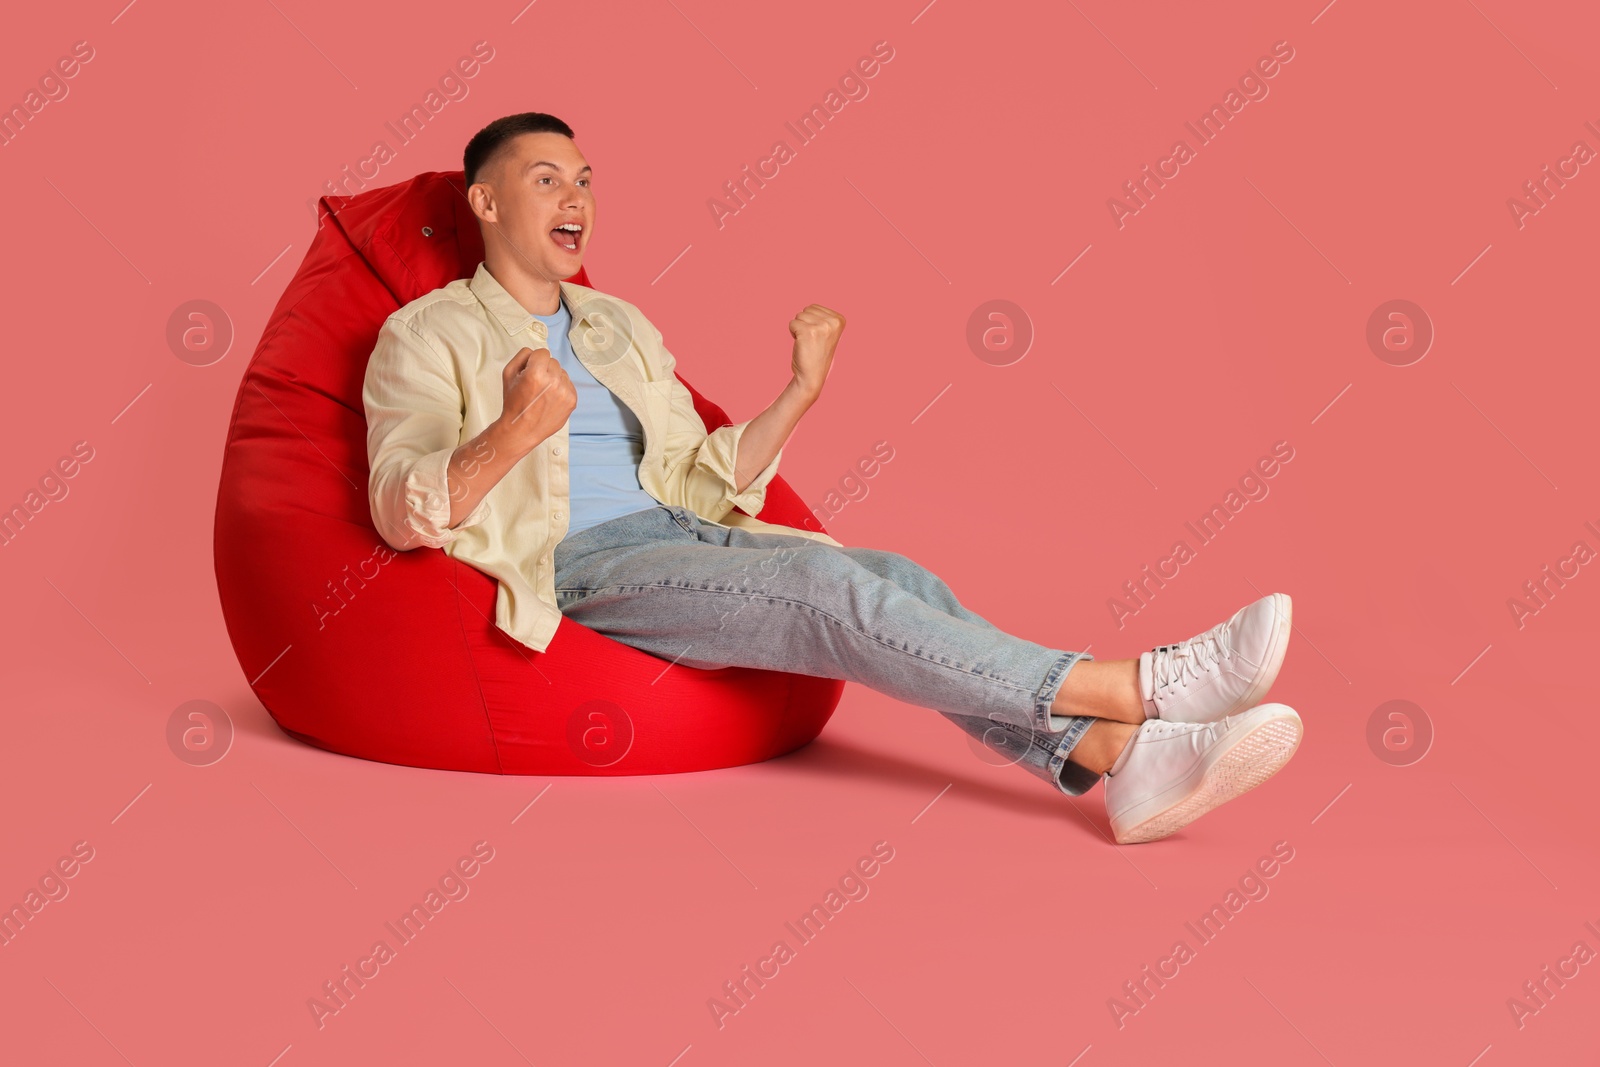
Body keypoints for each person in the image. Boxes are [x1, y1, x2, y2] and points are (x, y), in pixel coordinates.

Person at [361, 112, 1304, 845]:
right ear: (483, 203)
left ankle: (1114, 759)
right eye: (546, 179)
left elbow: (698, 481)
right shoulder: (426, 334)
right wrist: (515, 429)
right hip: (576, 566)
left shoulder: (618, 326)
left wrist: (799, 393)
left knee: (895, 577)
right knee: (823, 587)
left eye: (585, 179)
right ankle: (1137, 686)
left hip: (678, 534)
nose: (577, 197)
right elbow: (403, 512)